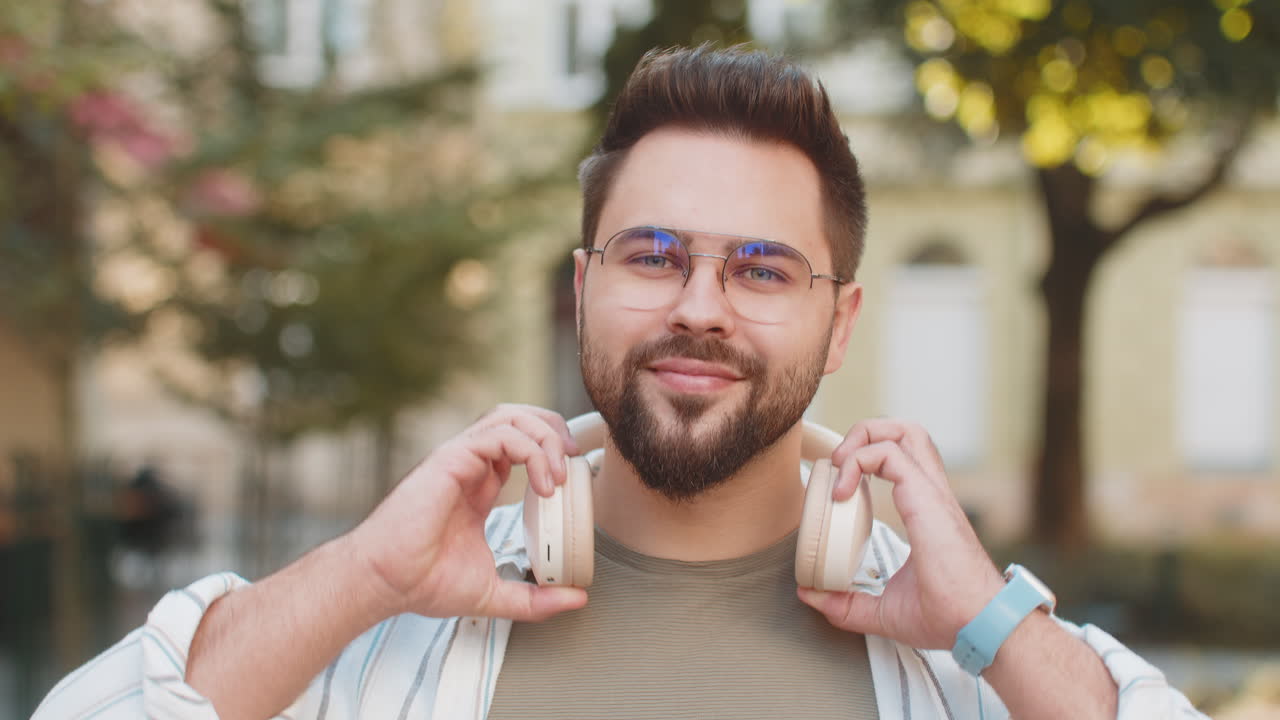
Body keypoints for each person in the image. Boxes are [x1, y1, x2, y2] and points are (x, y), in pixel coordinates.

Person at [34, 45, 1204, 720]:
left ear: (839, 322)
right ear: (582, 288)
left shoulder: (958, 653)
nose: (699, 305)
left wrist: (990, 624)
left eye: (761, 269)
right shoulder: (403, 626)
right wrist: (363, 575)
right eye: (651, 256)